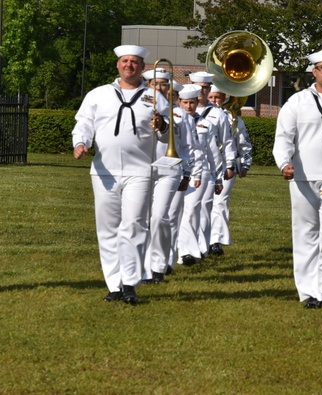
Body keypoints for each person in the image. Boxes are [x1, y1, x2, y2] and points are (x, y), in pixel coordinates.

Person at [73, 44, 169, 304]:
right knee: (108, 229)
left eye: (135, 62)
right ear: (117, 65)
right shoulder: (98, 95)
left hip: (140, 171)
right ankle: (114, 285)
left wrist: (162, 126)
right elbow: (83, 123)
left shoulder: (155, 97)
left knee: (135, 225)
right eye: (125, 61)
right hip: (105, 172)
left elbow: (168, 134)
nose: (129, 65)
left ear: (142, 67)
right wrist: (81, 143)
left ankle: (129, 282)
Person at [273, 49, 322, 311]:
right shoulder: (297, 101)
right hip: (303, 175)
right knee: (306, 233)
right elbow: (284, 136)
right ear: (314, 71)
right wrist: (284, 162)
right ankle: (308, 291)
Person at [141, 70, 205, 283]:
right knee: (141, 219)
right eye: (155, 84)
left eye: (164, 84)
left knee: (160, 216)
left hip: (169, 170)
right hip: (140, 169)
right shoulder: (139, 108)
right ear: (148, 84)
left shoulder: (181, 116)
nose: (159, 88)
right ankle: (143, 264)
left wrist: (187, 172)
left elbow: (188, 148)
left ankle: (159, 265)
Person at [185, 71, 236, 259]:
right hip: (186, 165)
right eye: (197, 87)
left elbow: (228, 141)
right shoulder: (182, 109)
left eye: (205, 88)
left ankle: (203, 245)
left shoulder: (218, 114)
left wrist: (229, 165)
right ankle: (186, 249)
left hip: (209, 167)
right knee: (187, 209)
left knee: (205, 208)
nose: (201, 91)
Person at [208, 84, 253, 256]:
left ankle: (216, 241)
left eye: (217, 97)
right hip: (204, 165)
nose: (213, 101)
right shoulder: (198, 115)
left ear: (223, 98)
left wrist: (245, 164)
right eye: (211, 97)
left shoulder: (234, 118)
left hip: (227, 164)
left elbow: (243, 142)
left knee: (220, 201)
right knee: (203, 203)